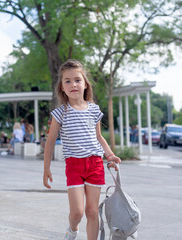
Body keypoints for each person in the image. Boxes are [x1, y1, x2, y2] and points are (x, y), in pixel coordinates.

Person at [43, 59, 121, 240]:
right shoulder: (60, 113)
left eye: (77, 80)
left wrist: (110, 155)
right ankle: (72, 229)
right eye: (67, 81)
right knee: (77, 212)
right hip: (74, 165)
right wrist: (46, 168)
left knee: (92, 212)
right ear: (62, 87)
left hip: (95, 164)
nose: (73, 84)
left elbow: (99, 137)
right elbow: (51, 141)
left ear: (85, 84)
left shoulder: (94, 110)